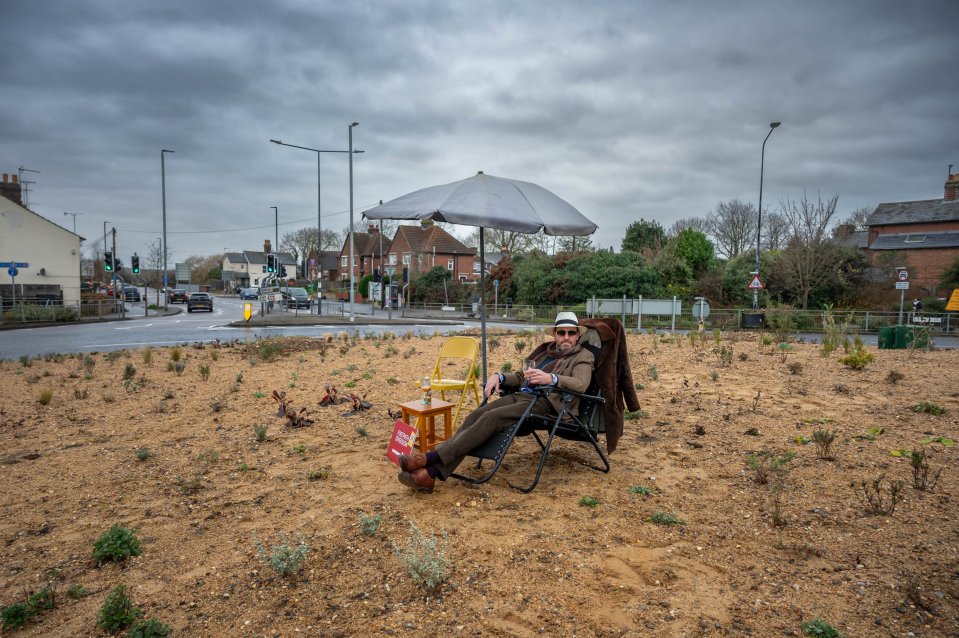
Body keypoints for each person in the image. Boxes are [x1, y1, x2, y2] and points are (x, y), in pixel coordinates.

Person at [397, 311, 595, 493]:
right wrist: (499, 377)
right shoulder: (545, 352)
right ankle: (430, 475)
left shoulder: (583, 356)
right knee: (475, 415)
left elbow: (581, 384)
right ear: (555, 334)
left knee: (491, 418)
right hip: (523, 396)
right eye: (562, 332)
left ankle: (428, 460)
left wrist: (550, 379)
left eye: (571, 332)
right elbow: (521, 376)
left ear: (578, 335)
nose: (566, 337)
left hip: (548, 403)